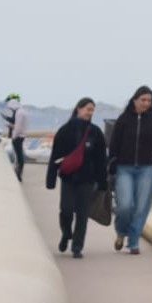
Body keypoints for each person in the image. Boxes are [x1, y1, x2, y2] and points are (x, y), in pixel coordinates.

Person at [108, 84, 152, 254]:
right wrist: (111, 165)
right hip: (125, 169)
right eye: (143, 100)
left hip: (146, 169)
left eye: (149, 101)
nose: (146, 103)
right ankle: (121, 232)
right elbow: (114, 144)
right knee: (124, 206)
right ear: (135, 100)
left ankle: (133, 241)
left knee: (141, 208)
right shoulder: (124, 119)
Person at [45, 98, 108, 257]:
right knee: (66, 210)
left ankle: (77, 247)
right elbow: (55, 156)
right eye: (88, 109)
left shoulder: (95, 132)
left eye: (92, 110)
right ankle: (66, 233)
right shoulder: (65, 131)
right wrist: (51, 179)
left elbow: (101, 159)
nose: (90, 113)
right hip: (68, 177)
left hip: (88, 179)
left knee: (82, 213)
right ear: (79, 109)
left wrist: (103, 182)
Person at [1, 91, 29, 180]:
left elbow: (18, 127)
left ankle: (18, 174)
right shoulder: (21, 111)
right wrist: (12, 126)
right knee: (18, 155)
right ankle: (18, 172)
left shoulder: (19, 113)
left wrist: (14, 136)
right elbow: (19, 125)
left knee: (19, 155)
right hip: (21, 136)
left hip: (18, 137)